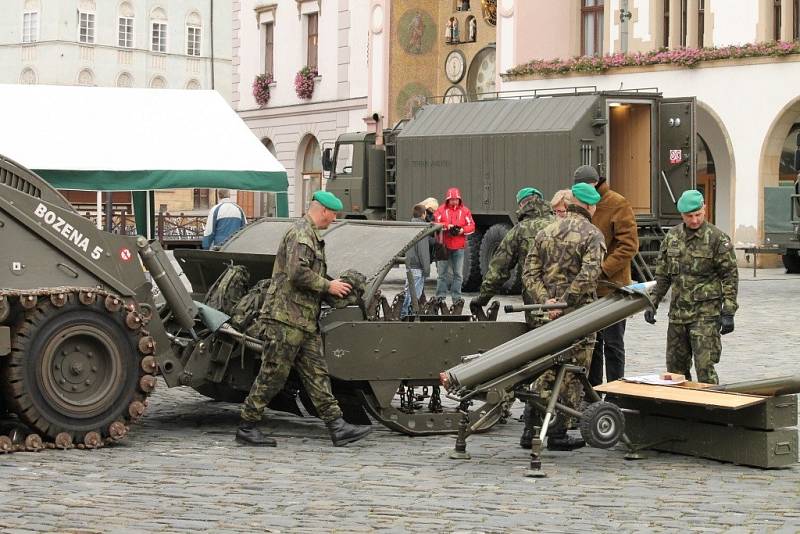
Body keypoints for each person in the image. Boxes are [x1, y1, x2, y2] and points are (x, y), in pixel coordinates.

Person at [236, 190, 372, 447]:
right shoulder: (302, 234)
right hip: (286, 319)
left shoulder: (309, 234)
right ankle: (247, 424)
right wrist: (328, 286)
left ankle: (337, 426)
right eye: (332, 215)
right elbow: (297, 272)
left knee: (317, 373)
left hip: (303, 320)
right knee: (273, 374)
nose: (332, 220)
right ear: (322, 210)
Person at [522, 182, 606, 451]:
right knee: (572, 373)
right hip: (577, 315)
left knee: (544, 369)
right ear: (590, 206)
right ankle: (558, 433)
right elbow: (590, 275)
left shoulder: (546, 230)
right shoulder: (592, 235)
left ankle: (530, 428)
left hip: (546, 314)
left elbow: (529, 274)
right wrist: (566, 301)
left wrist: (547, 302)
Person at [644, 189, 738, 384]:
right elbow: (663, 275)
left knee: (705, 368)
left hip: (706, 316)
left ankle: (710, 411)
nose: (694, 220)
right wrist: (652, 302)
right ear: (682, 215)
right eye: (689, 216)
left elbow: (729, 277)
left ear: (705, 209)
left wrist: (728, 312)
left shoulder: (718, 239)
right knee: (675, 371)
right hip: (678, 315)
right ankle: (682, 412)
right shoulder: (672, 237)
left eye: (698, 214)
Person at [572, 165, 639, 387]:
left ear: (595, 184)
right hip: (589, 289)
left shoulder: (617, 203)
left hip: (612, 287)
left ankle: (616, 390)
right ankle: (593, 392)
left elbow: (629, 246)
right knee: (592, 344)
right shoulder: (578, 203)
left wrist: (601, 270)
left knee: (612, 344)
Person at [473, 187, 554, 326]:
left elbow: (498, 269)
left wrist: (482, 298)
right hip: (564, 299)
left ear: (522, 205)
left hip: (535, 301)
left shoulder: (520, 230)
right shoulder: (561, 224)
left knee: (541, 341)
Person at [433, 187, 475, 308]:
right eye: (452, 200)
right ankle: (440, 297)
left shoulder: (465, 211)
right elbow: (435, 223)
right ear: (448, 200)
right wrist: (448, 226)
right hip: (444, 247)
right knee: (442, 273)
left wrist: (462, 230)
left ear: (459, 199)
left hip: (459, 247)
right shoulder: (441, 210)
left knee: (458, 274)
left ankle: (456, 298)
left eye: (456, 199)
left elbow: (472, 226)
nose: (454, 202)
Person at [400, 203, 433, 318]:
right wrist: (426, 269)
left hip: (410, 264)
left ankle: (403, 313)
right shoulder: (422, 229)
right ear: (424, 214)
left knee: (408, 291)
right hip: (418, 267)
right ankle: (405, 315)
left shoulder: (410, 226)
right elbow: (423, 251)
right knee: (414, 296)